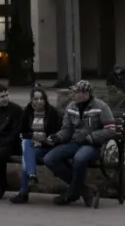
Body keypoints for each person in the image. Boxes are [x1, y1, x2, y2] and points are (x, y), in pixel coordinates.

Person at [45, 80, 116, 209]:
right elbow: (66, 129)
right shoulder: (71, 107)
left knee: (80, 158)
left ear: (86, 94)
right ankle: (84, 190)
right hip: (74, 143)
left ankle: (71, 194)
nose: (73, 94)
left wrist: (91, 137)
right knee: (49, 158)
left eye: (76, 92)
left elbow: (110, 129)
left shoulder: (101, 107)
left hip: (92, 145)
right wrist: (57, 137)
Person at [9, 85, 61, 204]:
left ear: (45, 99)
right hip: (33, 145)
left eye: (41, 98)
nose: (39, 101)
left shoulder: (52, 112)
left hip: (48, 147)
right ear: (31, 100)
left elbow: (55, 134)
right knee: (26, 145)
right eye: (36, 99)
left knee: (26, 156)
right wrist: (33, 137)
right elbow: (21, 132)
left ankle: (24, 191)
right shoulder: (27, 111)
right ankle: (31, 176)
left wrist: (42, 141)